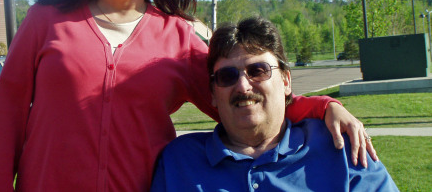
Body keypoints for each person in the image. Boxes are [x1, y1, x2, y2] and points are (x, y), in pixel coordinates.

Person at [0, 0, 374, 192]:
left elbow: (240, 96)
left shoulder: (176, 37)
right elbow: (6, 118)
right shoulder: (45, 20)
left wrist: (326, 106)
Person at [151, 17, 398, 192]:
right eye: (227, 76)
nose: (243, 86)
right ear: (213, 93)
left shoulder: (342, 147)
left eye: (257, 70)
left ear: (286, 80)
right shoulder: (179, 162)